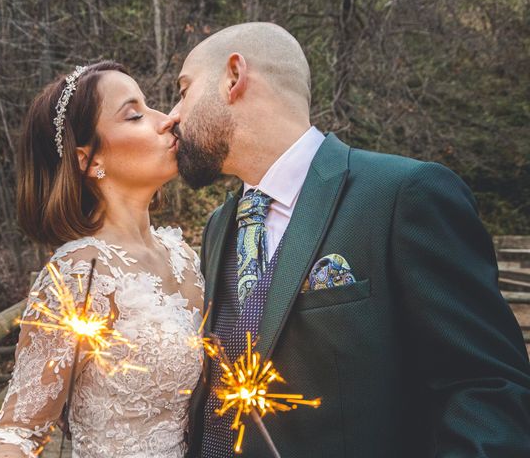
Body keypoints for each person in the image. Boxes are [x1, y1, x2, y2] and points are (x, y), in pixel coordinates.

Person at [171, 23, 530, 457]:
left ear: (234, 76)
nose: (173, 114)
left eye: (184, 90)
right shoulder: (218, 225)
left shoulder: (402, 195)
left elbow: (489, 387)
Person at [0, 61, 204, 458]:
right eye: (134, 115)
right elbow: (15, 433)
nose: (166, 120)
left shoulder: (184, 257)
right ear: (87, 160)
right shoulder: (78, 274)